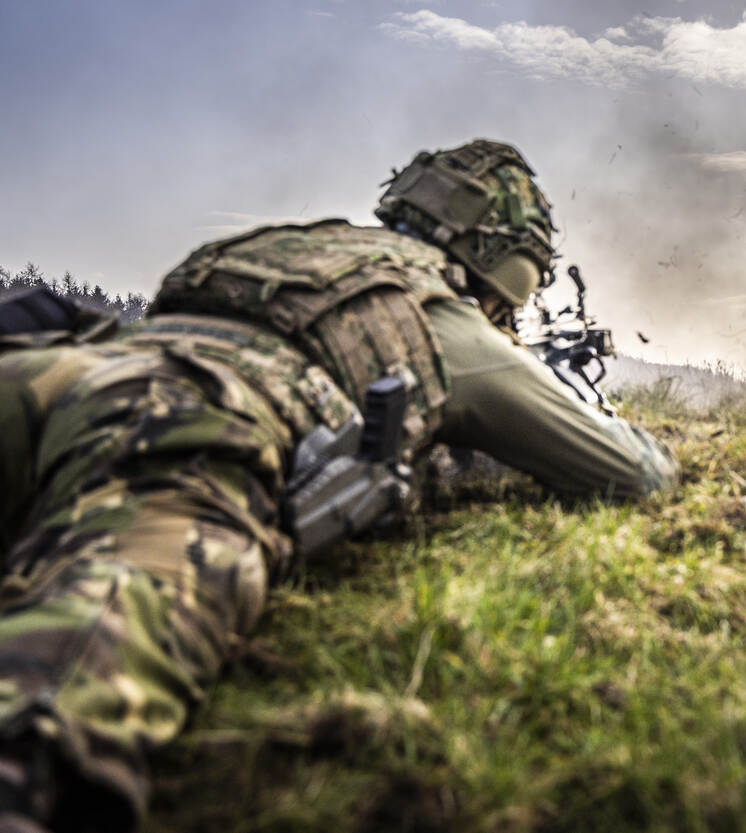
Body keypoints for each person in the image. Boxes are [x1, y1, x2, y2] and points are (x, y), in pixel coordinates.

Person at [0, 139, 678, 833]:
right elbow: (635, 473)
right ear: (504, 266)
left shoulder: (300, 246)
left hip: (61, 371)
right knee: (108, 619)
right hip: (182, 416)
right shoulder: (443, 318)